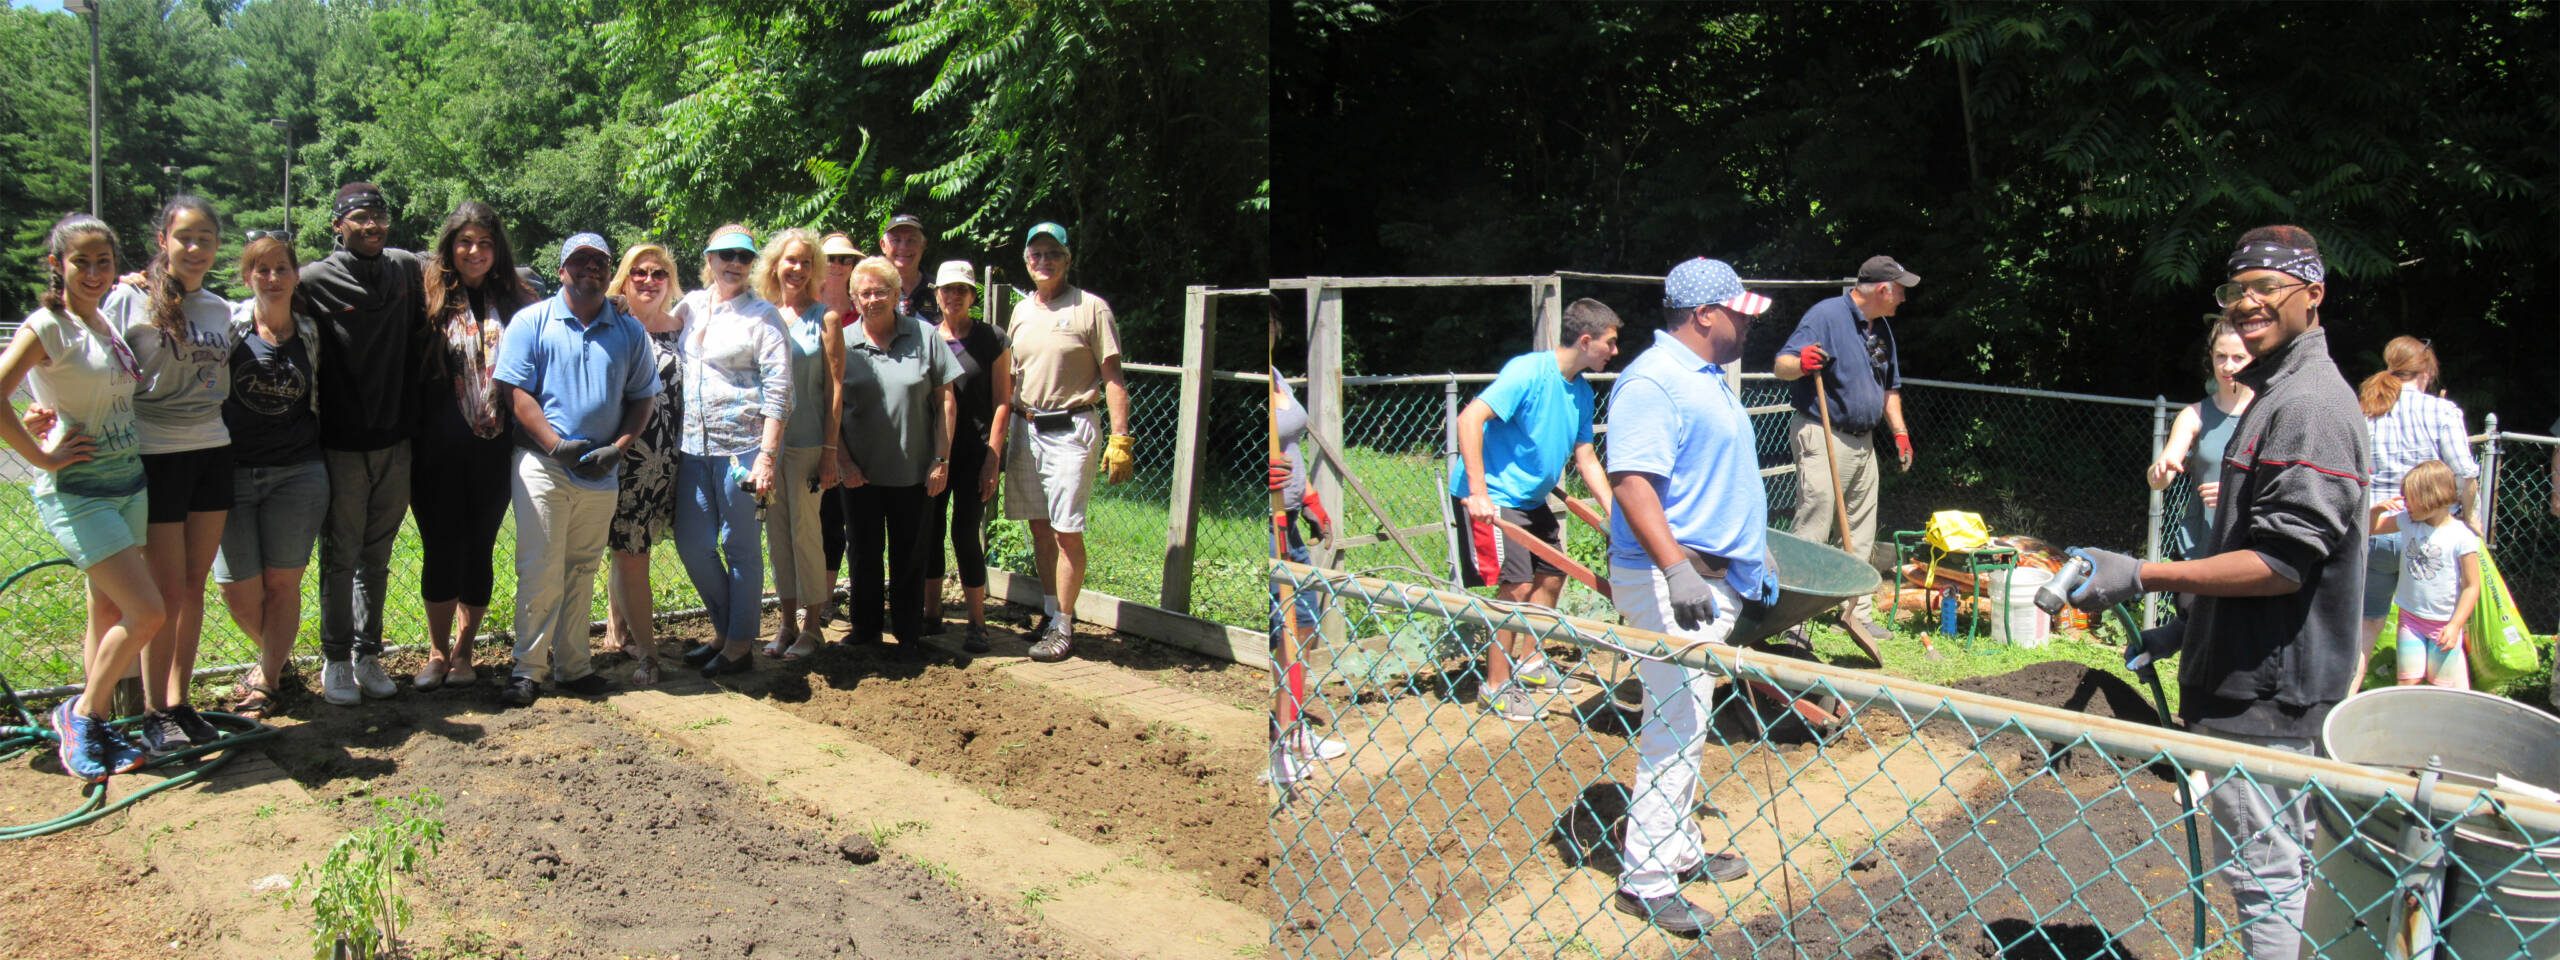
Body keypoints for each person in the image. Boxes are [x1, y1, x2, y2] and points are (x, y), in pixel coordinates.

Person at [2065, 225, 2368, 960]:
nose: (2248, 303)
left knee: (2266, 876)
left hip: (2267, 694)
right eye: (2237, 291)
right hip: (2253, 670)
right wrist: (2186, 629)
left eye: (2268, 288)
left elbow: (2280, 564)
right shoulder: (2274, 397)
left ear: (2314, 295)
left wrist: (2143, 575)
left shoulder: (2310, 407)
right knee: (2284, 867)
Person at [1601, 257, 1772, 937]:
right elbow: (1634, 483)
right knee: (1673, 725)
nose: (1747, 324)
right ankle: (1645, 880)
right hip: (1673, 580)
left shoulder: (1703, 376)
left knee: (1689, 719)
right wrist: (1677, 569)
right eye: (1739, 312)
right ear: (1704, 314)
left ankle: (1676, 848)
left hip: (1708, 577)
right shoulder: (1653, 381)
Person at [4, 214, 164, 780]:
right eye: (81, 262)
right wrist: (41, 455)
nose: (93, 272)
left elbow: (80, 391)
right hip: (78, 491)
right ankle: (81, 714)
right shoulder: (48, 325)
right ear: (57, 265)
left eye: (103, 261)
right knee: (147, 613)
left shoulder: (101, 322)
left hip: (127, 485)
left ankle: (91, 723)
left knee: (110, 610)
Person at [491, 232, 659, 707]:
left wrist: (620, 448)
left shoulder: (627, 330)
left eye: (599, 262)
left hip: (601, 470)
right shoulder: (533, 322)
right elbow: (517, 393)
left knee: (581, 568)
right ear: (562, 269)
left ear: (608, 272)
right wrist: (555, 445)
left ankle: (573, 665)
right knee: (540, 567)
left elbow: (642, 396)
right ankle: (528, 668)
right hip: (543, 465)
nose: (590, 268)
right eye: (579, 261)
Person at [102, 196, 235, 752]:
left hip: (212, 449)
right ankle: (154, 711)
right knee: (166, 590)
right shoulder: (128, 299)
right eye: (185, 237)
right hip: (155, 454)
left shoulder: (221, 309)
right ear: (163, 240)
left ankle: (180, 702)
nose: (196, 247)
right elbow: (86, 355)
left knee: (194, 583)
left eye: (206, 237)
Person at [1445, 299, 1617, 722]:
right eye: (1610, 343)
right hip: (1495, 496)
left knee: (1552, 575)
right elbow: (1470, 419)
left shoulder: (1581, 391)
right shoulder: (1528, 372)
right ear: (1585, 340)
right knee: (1516, 589)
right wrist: (1480, 492)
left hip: (1531, 499)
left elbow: (1586, 457)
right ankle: (1496, 686)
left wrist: (1616, 515)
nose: (1615, 352)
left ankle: (1530, 663)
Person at [297, 182, 427, 706]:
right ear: (338, 226)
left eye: (378, 215)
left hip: (396, 441)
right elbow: (260, 302)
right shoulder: (312, 279)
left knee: (378, 556)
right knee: (341, 556)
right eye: (359, 218)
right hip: (343, 446)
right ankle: (334, 659)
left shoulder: (404, 269)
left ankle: (367, 653)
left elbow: (472, 267)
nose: (371, 225)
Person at [409, 201, 538, 692]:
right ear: (450, 245)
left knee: (479, 549)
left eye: (484, 242)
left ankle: (466, 652)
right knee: (440, 548)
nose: (474, 251)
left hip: (494, 448)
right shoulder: (427, 296)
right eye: (465, 241)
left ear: (497, 248)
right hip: (436, 447)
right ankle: (437, 651)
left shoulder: (518, 301)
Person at [1003, 222, 1134, 662]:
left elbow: (1113, 376)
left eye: (1053, 253)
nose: (1044, 261)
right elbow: (1013, 374)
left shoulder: (1091, 308)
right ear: (1026, 261)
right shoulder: (1021, 311)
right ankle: (1047, 612)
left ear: (1067, 258)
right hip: (1027, 425)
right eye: (1036, 254)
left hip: (1070, 428)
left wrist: (1121, 437)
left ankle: (1064, 624)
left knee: (1066, 531)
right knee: (1039, 524)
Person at [1772, 255, 1918, 641]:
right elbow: (1781, 364)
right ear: (1883, 289)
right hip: (1822, 432)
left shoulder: (1882, 329)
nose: (1903, 298)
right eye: (1900, 290)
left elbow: (1890, 388)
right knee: (1815, 523)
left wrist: (1900, 433)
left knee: (1861, 530)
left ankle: (1855, 610)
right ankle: (1792, 619)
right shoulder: (1826, 315)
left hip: (1863, 440)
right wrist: (1801, 363)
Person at [213, 232, 326, 720]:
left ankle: (269, 681)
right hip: (231, 471)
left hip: (298, 473)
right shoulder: (229, 325)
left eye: (282, 268)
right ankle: (276, 658)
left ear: (296, 275)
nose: (273, 278)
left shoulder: (310, 331)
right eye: (262, 270)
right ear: (247, 277)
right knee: (237, 588)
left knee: (283, 584)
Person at [670, 225, 790, 678]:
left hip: (742, 451)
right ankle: (723, 630)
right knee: (693, 544)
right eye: (725, 255)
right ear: (709, 258)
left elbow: (780, 394)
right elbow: (658, 324)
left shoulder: (764, 317)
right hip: (693, 448)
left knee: (739, 547)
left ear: (751, 262)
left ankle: (739, 645)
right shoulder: (694, 306)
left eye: (743, 256)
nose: (734, 263)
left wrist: (767, 456)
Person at [833, 256, 960, 646]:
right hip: (860, 475)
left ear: (897, 294)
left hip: (914, 472)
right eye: (864, 293)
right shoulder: (842, 342)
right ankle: (866, 630)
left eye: (881, 291)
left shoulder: (924, 337)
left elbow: (946, 403)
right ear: (854, 297)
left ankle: (908, 630)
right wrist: (843, 461)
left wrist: (941, 460)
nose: (873, 299)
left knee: (911, 555)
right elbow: (830, 409)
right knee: (864, 555)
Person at [2353, 335, 2480, 688]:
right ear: (2427, 370)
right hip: (2431, 536)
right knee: (2441, 622)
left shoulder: (2368, 409)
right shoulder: (2441, 411)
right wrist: (2470, 519)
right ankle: (2442, 701)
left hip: (2378, 528)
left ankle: (2340, 707)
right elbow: (2465, 473)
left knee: (2366, 626)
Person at [600, 243, 684, 685]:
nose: (649, 280)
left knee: (629, 549)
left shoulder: (681, 327)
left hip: (668, 461)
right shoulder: (613, 321)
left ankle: (620, 631)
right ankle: (648, 655)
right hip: (626, 457)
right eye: (639, 273)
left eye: (658, 273)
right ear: (624, 279)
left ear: (670, 280)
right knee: (632, 552)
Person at [758, 228, 842, 661]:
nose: (797, 269)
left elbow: (836, 388)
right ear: (775, 265)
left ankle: (813, 627)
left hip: (809, 446)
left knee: (806, 534)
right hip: (768, 448)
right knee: (777, 535)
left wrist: (831, 451)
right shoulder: (763, 314)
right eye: (791, 260)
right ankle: (787, 623)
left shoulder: (824, 318)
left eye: (806, 262)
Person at [921, 260, 1010, 650]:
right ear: (936, 294)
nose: (953, 297)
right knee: (931, 532)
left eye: (962, 290)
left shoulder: (991, 339)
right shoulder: (925, 338)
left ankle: (977, 622)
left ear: (973, 295)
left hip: (976, 452)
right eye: (947, 290)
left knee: (964, 533)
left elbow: (1003, 401)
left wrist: (993, 458)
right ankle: (931, 615)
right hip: (936, 452)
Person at [2147, 321, 2255, 560]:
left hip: (2251, 552)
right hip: (2198, 551)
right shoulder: (2193, 415)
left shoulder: (2271, 413)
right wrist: (2160, 472)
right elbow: (2159, 480)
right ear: (2211, 357)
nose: (2228, 366)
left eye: (2238, 358)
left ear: (2256, 358)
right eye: (2221, 356)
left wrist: (2234, 496)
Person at [2368, 461, 2480, 690]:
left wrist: (2456, 625)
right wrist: (2376, 510)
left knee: (2440, 686)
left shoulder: (2462, 537)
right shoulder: (2408, 522)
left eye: (2410, 498)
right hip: (2410, 620)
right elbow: (2373, 528)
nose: (2406, 504)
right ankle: (2407, 724)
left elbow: (2471, 586)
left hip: (2444, 623)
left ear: (2433, 496)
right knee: (2407, 682)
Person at [816, 231, 864, 624]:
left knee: (856, 523)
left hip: (862, 429)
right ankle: (818, 600)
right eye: (831, 258)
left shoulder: (865, 310)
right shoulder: (804, 310)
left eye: (846, 260)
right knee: (823, 521)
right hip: (818, 433)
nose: (838, 266)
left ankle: (854, 600)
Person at [880, 214, 938, 324]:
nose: (903, 247)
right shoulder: (872, 290)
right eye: (896, 240)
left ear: (923, 245)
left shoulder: (939, 290)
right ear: (883, 245)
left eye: (911, 240)